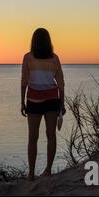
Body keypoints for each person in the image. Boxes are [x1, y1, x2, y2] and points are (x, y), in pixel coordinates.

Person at [20, 28, 65, 181]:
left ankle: (31, 174)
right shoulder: (54, 58)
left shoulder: (28, 57)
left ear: (33, 41)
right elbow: (61, 84)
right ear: (48, 41)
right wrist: (62, 104)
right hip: (52, 99)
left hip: (33, 100)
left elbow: (24, 81)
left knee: (32, 137)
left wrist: (22, 102)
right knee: (51, 136)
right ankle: (48, 170)